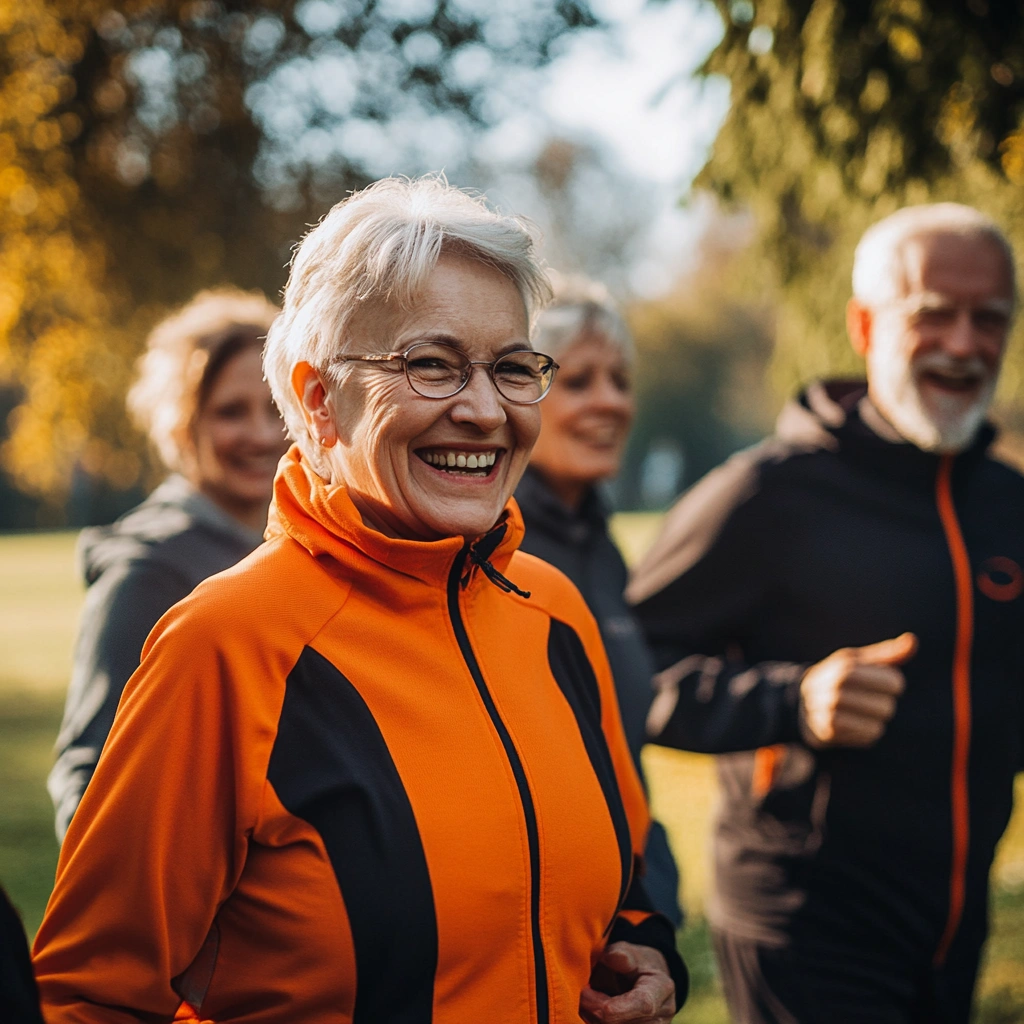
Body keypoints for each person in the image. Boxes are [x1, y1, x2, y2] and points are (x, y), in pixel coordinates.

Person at [33, 176, 687, 1024]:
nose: (485, 410)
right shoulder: (222, 644)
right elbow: (90, 998)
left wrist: (648, 949)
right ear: (316, 398)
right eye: (431, 364)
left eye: (512, 368)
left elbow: (623, 876)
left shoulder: (554, 608)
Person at [627, 203, 1022, 1024]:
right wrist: (792, 700)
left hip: (955, 926)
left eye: (989, 318)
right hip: (804, 932)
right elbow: (624, 663)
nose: (963, 343)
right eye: (932, 314)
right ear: (864, 324)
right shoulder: (769, 492)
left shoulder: (1008, 504)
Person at [47, 288, 286, 841]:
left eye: (276, 408)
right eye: (231, 411)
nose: (261, 433)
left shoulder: (289, 547)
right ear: (182, 423)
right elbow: (88, 781)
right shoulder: (147, 572)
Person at [515, 275, 683, 928]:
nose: (610, 402)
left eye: (621, 380)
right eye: (578, 382)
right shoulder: (486, 548)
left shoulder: (599, 540)